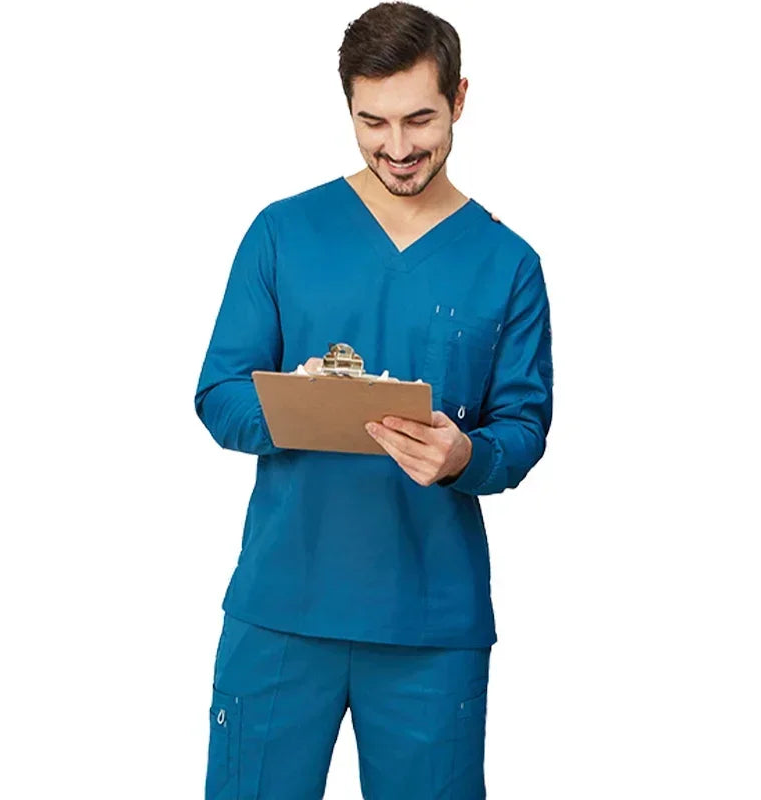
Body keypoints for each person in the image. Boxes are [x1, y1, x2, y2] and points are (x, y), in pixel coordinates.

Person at [194, 3, 553, 798]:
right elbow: (218, 392)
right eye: (372, 122)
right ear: (349, 107)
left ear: (460, 98)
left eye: (419, 119)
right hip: (282, 607)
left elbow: (524, 427)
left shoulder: (508, 263)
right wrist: (295, 407)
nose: (397, 147)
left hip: (431, 623)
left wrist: (468, 455)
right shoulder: (283, 232)